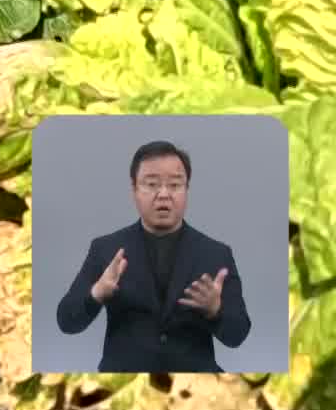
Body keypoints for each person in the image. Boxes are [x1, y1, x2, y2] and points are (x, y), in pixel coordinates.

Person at [55, 140, 251, 372]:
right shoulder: (105, 249)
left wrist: (215, 311)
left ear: (187, 189)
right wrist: (96, 293)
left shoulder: (216, 253)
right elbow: (67, 321)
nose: (164, 194)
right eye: (151, 184)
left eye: (175, 185)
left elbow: (238, 335)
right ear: (134, 189)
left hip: (194, 386)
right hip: (122, 380)